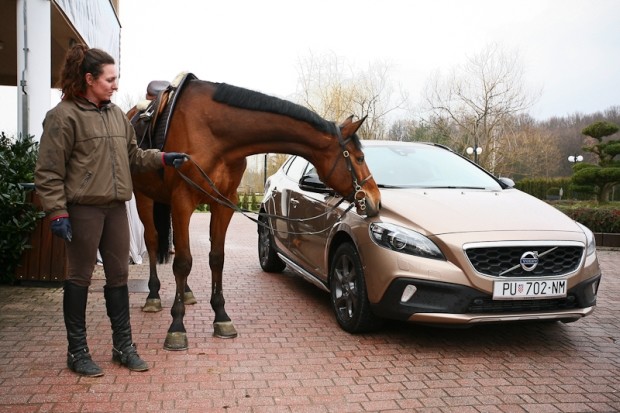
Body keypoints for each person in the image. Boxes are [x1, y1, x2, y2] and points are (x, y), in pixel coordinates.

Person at [34, 44, 188, 377]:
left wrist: (162, 157)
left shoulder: (117, 115)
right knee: (78, 278)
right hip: (83, 210)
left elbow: (134, 156)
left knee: (119, 278)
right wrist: (57, 212)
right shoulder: (63, 117)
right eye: (110, 79)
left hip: (117, 209)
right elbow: (47, 172)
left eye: (116, 79)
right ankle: (77, 352)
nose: (115, 85)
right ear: (89, 79)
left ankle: (124, 347)